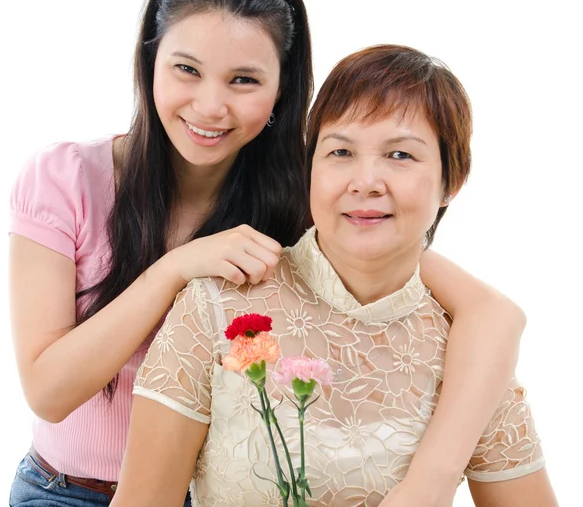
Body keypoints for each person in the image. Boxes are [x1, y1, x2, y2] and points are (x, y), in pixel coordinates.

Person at [9, 0, 525, 507]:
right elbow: (48, 391)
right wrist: (174, 268)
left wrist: (432, 477)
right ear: (149, 63)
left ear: (281, 91)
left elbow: (494, 314)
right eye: (186, 69)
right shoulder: (65, 179)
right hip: (67, 491)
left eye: (244, 80)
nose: (210, 105)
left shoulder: (299, 203)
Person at [112, 45, 557, 507]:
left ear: (452, 182)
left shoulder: (474, 358)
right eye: (341, 151)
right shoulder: (215, 306)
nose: (365, 181)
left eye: (400, 155)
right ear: (310, 170)